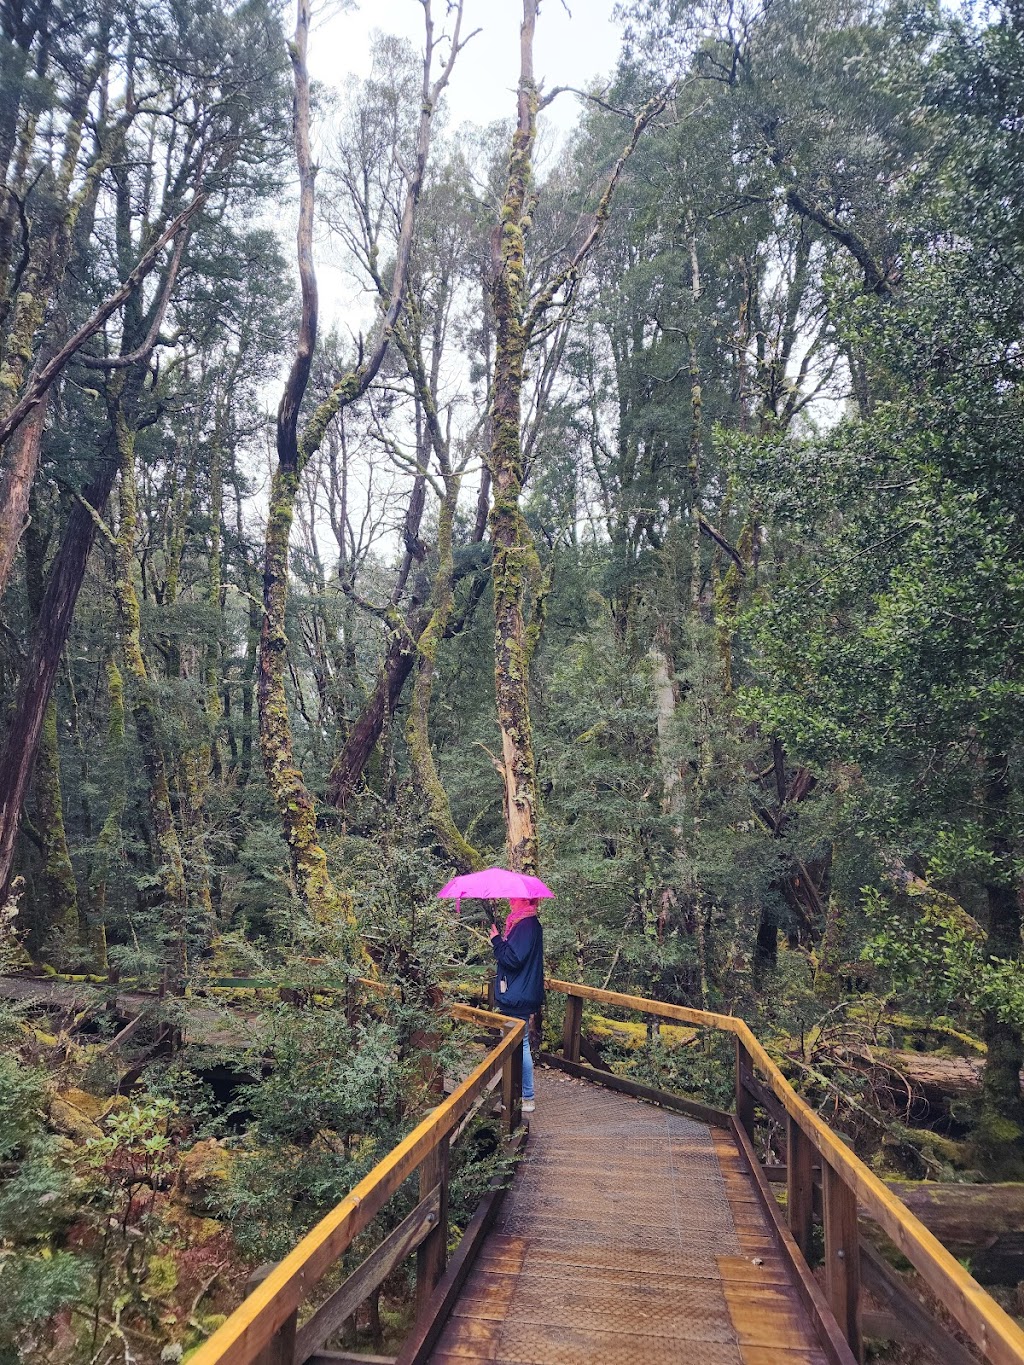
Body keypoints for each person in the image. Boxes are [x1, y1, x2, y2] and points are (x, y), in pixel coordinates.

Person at [489, 896, 544, 1114]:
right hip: (519, 992)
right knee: (517, 1044)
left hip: (518, 995)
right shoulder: (525, 924)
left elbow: (513, 959)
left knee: (520, 1045)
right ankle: (516, 1092)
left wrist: (496, 941)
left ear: (524, 900)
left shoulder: (526, 925)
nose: (510, 900)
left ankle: (527, 1096)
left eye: (514, 898)